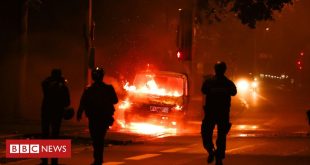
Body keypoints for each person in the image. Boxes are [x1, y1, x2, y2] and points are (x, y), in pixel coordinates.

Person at [77, 67, 118, 165]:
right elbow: (115, 100)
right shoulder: (108, 88)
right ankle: (99, 158)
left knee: (96, 138)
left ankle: (97, 159)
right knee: (100, 138)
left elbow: (83, 102)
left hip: (94, 117)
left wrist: (79, 113)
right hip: (103, 118)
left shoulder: (89, 89)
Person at [201, 61, 237, 165]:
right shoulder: (228, 82)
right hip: (223, 113)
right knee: (221, 136)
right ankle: (219, 156)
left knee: (206, 134)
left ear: (215, 69)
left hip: (211, 113)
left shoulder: (209, 82)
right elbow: (234, 92)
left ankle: (211, 151)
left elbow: (203, 90)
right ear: (224, 70)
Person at [41, 69, 70, 165]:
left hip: (46, 112)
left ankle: (44, 160)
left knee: (45, 135)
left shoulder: (47, 84)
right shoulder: (62, 87)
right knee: (55, 136)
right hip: (57, 113)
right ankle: (54, 161)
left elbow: (43, 85)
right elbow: (67, 102)